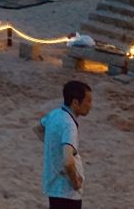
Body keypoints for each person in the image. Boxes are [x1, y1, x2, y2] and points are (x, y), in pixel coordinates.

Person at [35, 80, 93, 208]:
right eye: (88, 101)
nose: (90, 105)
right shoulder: (69, 125)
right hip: (66, 191)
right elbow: (68, 162)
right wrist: (76, 183)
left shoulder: (55, 114)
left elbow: (38, 129)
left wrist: (54, 147)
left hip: (53, 185)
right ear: (75, 103)